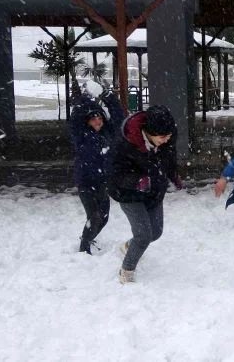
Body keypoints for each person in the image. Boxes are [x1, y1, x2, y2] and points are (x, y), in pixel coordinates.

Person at [109, 105, 183, 284]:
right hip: (129, 194)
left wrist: (173, 175)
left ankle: (128, 247)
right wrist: (137, 181)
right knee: (143, 235)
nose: (166, 141)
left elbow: (169, 158)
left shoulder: (167, 136)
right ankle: (126, 272)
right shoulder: (124, 142)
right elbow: (114, 175)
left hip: (154, 191)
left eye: (169, 137)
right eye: (162, 137)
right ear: (148, 132)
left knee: (155, 232)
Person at [70, 85, 125, 254]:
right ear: (87, 121)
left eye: (99, 117)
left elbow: (118, 115)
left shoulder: (108, 133)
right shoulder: (81, 135)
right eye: (93, 118)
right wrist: (85, 98)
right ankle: (83, 249)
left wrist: (106, 95)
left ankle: (88, 239)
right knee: (94, 216)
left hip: (102, 182)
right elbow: (76, 117)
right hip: (86, 182)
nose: (97, 121)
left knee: (104, 217)